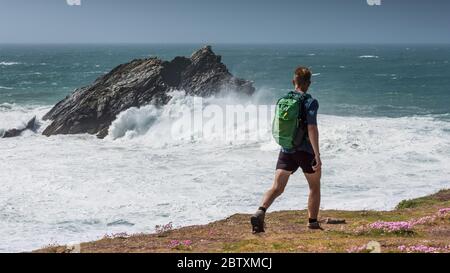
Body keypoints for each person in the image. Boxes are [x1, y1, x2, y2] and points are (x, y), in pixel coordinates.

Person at [251, 67, 322, 233]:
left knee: (277, 187)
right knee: (314, 186)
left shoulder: (284, 99)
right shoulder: (310, 102)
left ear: (293, 82)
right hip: (305, 151)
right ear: (309, 83)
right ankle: (312, 222)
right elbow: (311, 128)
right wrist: (317, 155)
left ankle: (260, 211)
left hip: (286, 149)